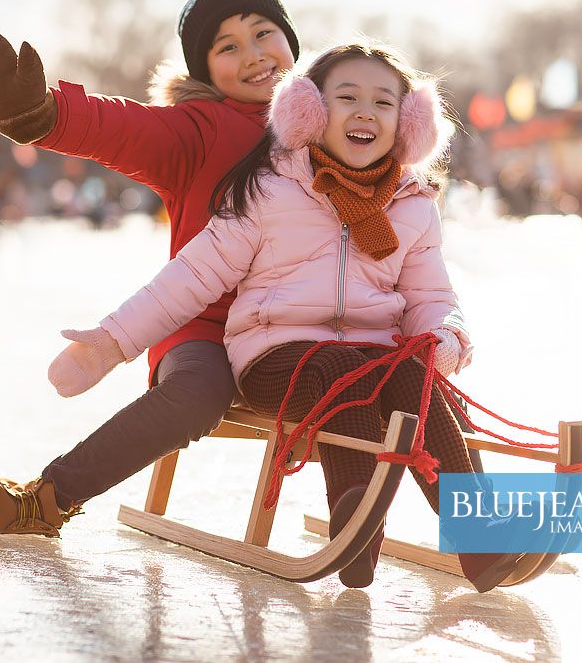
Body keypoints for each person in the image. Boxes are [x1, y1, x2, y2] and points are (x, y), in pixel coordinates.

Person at [47, 43, 526, 591]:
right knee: (341, 369)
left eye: (383, 102)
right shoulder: (269, 192)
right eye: (347, 97)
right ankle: (354, 515)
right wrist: (112, 341)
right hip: (277, 357)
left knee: (415, 377)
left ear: (408, 123)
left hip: (373, 357)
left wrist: (445, 334)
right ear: (310, 112)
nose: (365, 112)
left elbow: (431, 293)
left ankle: (481, 538)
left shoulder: (413, 206)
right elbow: (192, 277)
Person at [0, 0, 301, 537]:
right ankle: (43, 500)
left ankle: (487, 531)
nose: (255, 55)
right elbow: (123, 130)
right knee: (196, 394)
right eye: (228, 47)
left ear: (290, 39)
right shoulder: (199, 132)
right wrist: (38, 113)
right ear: (205, 71)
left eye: (265, 34)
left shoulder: (336, 125)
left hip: (300, 328)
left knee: (413, 383)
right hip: (202, 327)